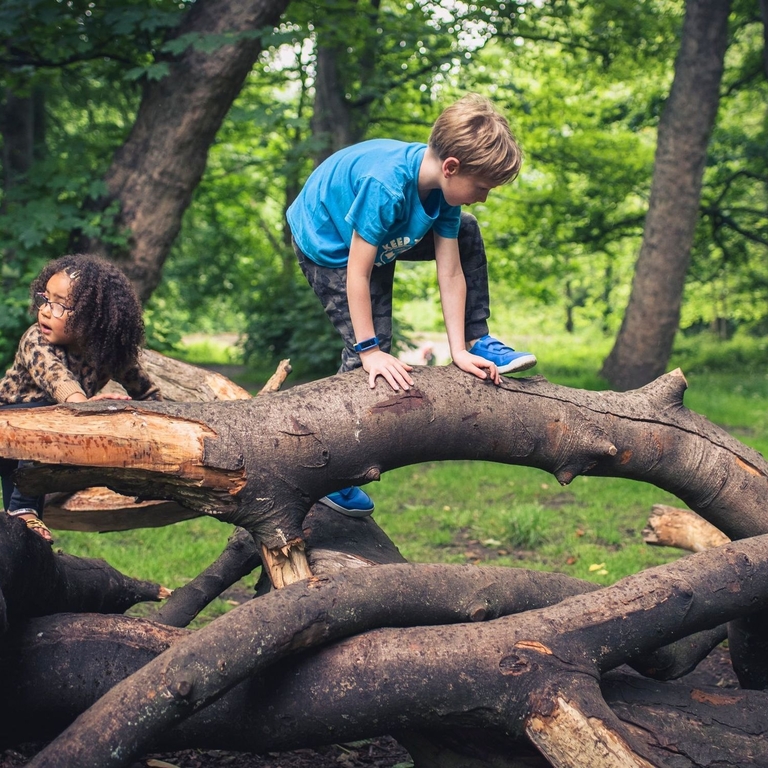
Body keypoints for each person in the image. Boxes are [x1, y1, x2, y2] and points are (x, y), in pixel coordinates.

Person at [287, 93, 536, 517]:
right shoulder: (385, 186)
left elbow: (451, 271)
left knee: (469, 232)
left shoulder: (443, 194)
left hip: (380, 238)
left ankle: (479, 341)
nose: (484, 197)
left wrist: (458, 350)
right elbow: (357, 273)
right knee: (372, 356)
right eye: (482, 187)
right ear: (452, 167)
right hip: (330, 245)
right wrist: (368, 351)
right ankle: (331, 473)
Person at [0, 253, 162, 542]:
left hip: (56, 429)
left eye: (60, 305)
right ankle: (22, 510)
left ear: (93, 317)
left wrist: (158, 418)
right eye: (45, 299)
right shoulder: (35, 339)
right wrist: (82, 404)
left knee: (55, 446)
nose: (46, 311)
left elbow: (146, 391)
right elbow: (55, 377)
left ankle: (25, 533)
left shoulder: (107, 352)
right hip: (11, 420)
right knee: (45, 427)